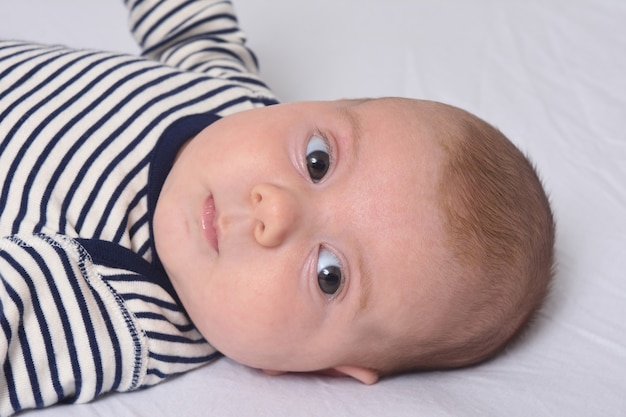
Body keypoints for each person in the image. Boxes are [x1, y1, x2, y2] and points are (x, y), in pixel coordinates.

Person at [0, 0, 555, 415]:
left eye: (329, 275)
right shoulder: (233, 99)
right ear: (318, 105)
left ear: (322, 368)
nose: (276, 213)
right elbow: (188, 27)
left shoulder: (121, 309)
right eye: (318, 161)